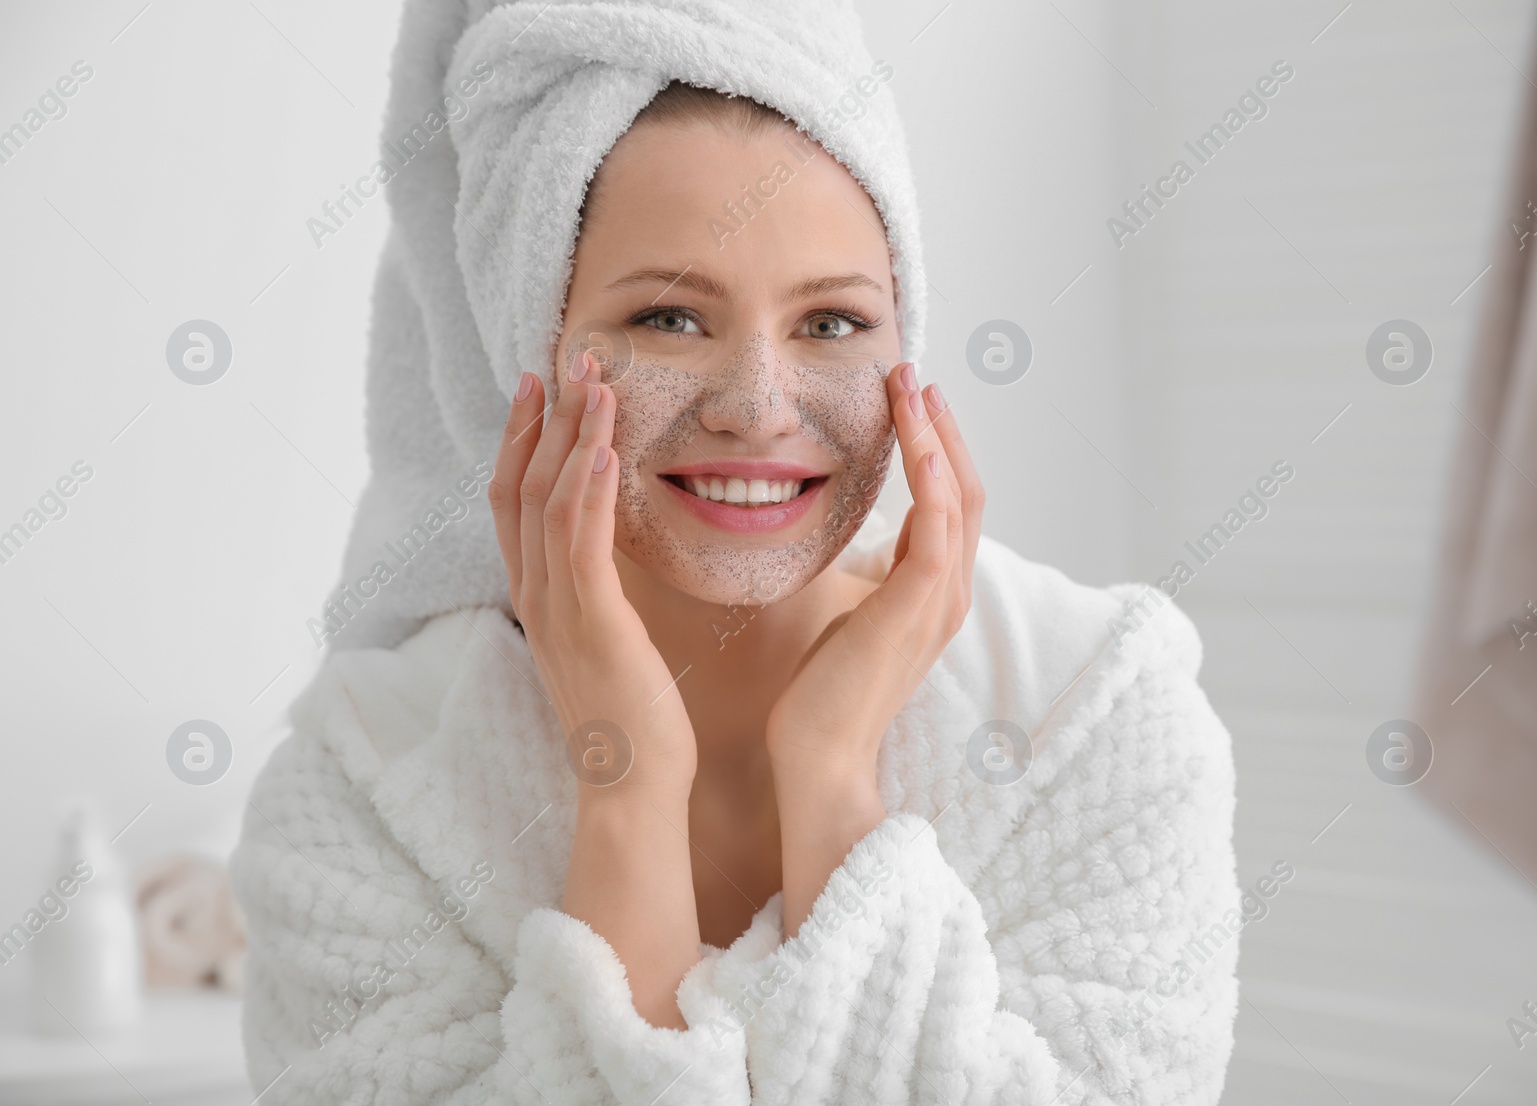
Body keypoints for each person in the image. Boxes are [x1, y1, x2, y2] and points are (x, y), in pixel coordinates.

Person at [231, 3, 1240, 1103]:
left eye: (832, 323)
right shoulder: (367, 783)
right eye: (670, 318)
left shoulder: (1091, 710)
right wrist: (626, 789)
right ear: (533, 343)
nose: (759, 407)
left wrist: (832, 774)